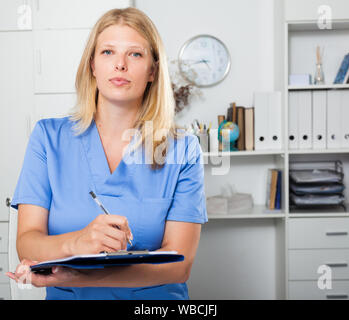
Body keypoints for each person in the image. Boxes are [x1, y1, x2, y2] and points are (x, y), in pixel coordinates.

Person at [6, 7, 207, 300]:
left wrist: (81, 278)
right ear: (92, 65)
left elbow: (180, 266)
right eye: (108, 52)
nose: (120, 65)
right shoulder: (48, 138)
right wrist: (78, 242)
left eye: (135, 54)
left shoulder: (183, 150)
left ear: (152, 70)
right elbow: (27, 243)